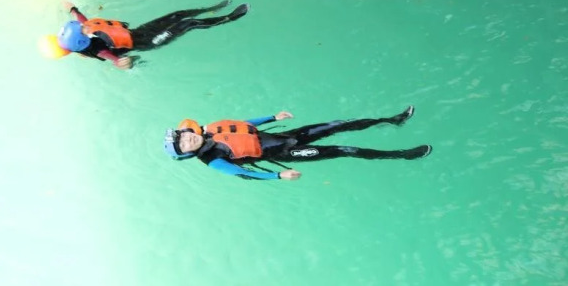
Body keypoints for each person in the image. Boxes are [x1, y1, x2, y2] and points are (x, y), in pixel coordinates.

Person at [163, 106, 432, 180]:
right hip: (289, 151)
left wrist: (272, 117)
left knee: (338, 124)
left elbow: (242, 124)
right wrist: (279, 175)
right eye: (183, 144)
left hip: (287, 134)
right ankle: (403, 154)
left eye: (183, 135)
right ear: (187, 154)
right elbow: (244, 173)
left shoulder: (209, 129)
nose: (187, 139)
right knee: (344, 150)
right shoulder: (213, 160)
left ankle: (392, 120)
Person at [39, 0, 249, 70]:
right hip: (147, 41)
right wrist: (122, 62)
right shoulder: (96, 49)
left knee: (178, 14)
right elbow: (113, 58)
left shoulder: (80, 32)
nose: (84, 27)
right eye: (82, 30)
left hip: (139, 31)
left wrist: (72, 9)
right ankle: (230, 17)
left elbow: (82, 20)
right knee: (188, 24)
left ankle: (213, 8)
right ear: (80, 41)